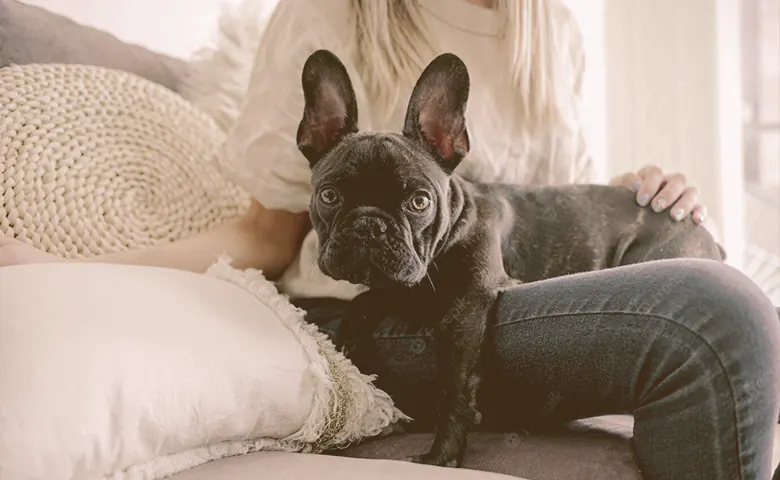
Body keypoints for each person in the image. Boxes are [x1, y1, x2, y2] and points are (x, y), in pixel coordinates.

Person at [1, 0, 778, 478]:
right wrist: (64, 266)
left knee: (720, 283)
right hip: (388, 323)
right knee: (714, 314)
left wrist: (636, 193)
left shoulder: (555, 28)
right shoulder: (335, 8)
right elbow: (263, 232)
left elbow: (539, 209)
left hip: (514, 301)